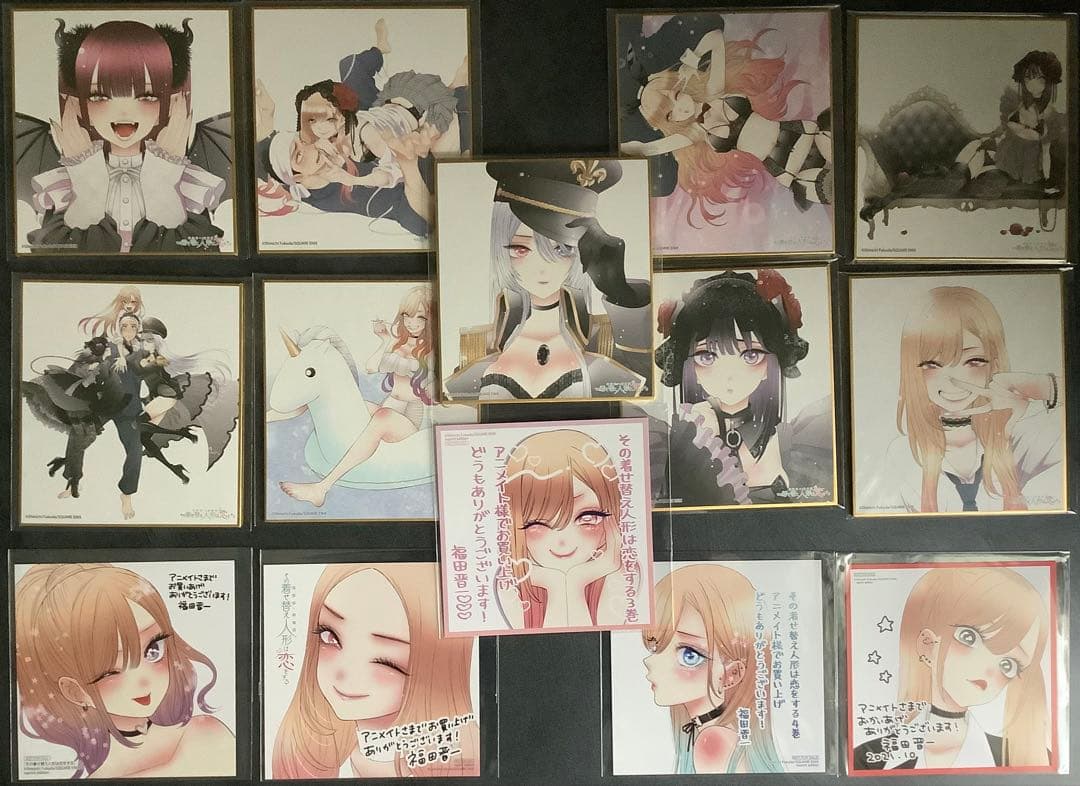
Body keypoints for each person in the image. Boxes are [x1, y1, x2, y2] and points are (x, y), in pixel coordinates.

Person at [444, 159, 652, 400]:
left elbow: (647, 395)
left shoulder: (606, 339)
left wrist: (621, 294)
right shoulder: (477, 346)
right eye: (521, 249)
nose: (542, 267)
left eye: (562, 249)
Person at [15, 563, 234, 779]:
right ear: (75, 691)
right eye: (111, 671)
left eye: (154, 650)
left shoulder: (204, 734)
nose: (143, 680)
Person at [29, 20, 225, 252]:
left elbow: (185, 254)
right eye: (99, 96)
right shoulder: (63, 183)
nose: (123, 112)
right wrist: (85, 173)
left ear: (169, 100)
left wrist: (164, 173)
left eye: (147, 96)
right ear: (79, 103)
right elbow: (66, 254)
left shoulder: (188, 181)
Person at [271, 564, 479, 778]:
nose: (344, 673)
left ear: (437, 670)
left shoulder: (463, 764)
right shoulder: (313, 753)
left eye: (386, 661)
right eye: (329, 636)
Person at [621, 19, 831, 222]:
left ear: (680, 86)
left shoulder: (715, 91)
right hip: (786, 168)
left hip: (802, 135)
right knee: (824, 187)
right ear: (671, 121)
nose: (679, 108)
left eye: (675, 96)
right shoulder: (693, 133)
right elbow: (647, 149)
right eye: (670, 114)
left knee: (834, 147)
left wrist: (692, 60)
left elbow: (715, 37)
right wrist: (615, 147)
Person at [652, 270, 831, 505]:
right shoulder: (664, 443)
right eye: (707, 357)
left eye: (750, 355)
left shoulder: (805, 439)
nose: (729, 376)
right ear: (689, 367)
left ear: (771, 365)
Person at [884, 286, 1061, 513]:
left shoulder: (1018, 436)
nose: (953, 380)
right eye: (932, 364)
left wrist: (1041, 386)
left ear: (994, 365)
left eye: (973, 361)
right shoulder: (905, 454)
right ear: (913, 371)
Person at [854, 566, 1050, 770]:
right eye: (969, 637)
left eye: (1008, 664)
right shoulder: (865, 759)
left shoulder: (1023, 759)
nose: (987, 669)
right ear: (927, 644)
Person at [279, 285, 434, 507]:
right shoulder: (398, 343)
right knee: (354, 406)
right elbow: (371, 367)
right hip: (392, 406)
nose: (412, 323)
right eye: (407, 316)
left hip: (414, 416)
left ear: (430, 319)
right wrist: (385, 341)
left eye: (420, 317)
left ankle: (322, 487)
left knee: (382, 417)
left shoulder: (431, 350)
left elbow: (425, 381)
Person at [642, 564, 782, 773]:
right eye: (656, 644)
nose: (649, 661)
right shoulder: (717, 733)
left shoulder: (713, 742)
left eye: (688, 654)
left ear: (732, 674)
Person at [497, 430, 635, 629]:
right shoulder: (508, 583)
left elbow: (589, 641)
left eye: (587, 517)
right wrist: (557, 584)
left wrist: (575, 582)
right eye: (537, 524)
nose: (563, 541)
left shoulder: (623, 575)